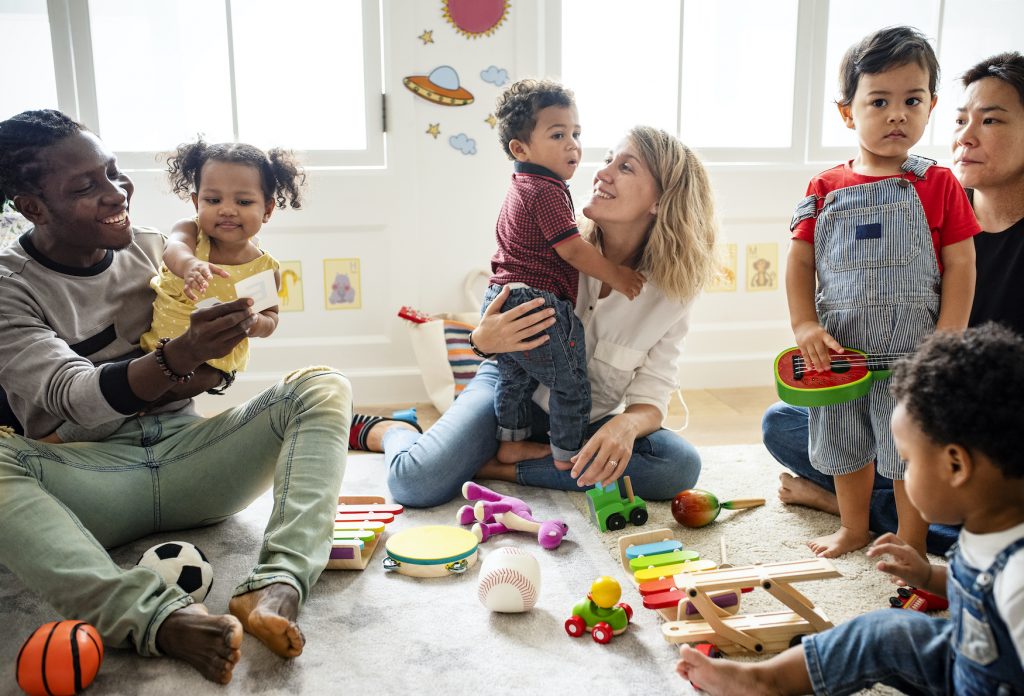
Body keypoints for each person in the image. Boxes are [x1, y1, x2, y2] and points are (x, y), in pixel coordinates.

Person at [0, 110, 351, 684]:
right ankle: (153, 619)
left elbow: (224, 361)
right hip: (90, 475)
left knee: (321, 386)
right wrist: (181, 357)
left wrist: (229, 347)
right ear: (32, 207)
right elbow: (76, 398)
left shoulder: (153, 249)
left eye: (113, 172)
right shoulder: (9, 287)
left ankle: (278, 584)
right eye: (87, 186)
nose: (117, 194)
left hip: (191, 455)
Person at [357, 124, 718, 506]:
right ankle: (393, 430)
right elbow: (487, 330)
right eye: (609, 159)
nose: (601, 172)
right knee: (415, 483)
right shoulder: (555, 241)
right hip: (510, 391)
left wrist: (626, 425)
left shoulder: (672, 293)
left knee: (676, 465)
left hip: (583, 419)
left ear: (661, 200)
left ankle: (500, 468)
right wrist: (482, 341)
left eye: (626, 168)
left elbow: (652, 396)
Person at [764, 50, 1024, 557]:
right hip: (851, 362)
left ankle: (906, 531)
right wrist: (805, 325)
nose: (897, 115)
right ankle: (859, 521)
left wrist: (944, 340)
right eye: (879, 101)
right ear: (848, 112)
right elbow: (799, 262)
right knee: (802, 428)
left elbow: (961, 270)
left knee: (912, 455)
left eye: (912, 101)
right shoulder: (826, 188)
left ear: (926, 105)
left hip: (939, 384)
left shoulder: (936, 186)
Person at [677, 324, 1024, 696]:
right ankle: (765, 681)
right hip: (965, 657)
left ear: (955, 466)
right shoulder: (986, 525)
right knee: (882, 632)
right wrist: (926, 576)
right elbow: (967, 588)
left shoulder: (1017, 580)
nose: (898, 471)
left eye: (906, 461)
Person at [482, 78, 644, 470]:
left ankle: (511, 442)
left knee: (515, 379)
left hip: (501, 295)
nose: (572, 144)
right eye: (558, 134)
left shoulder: (521, 184)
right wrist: (618, 276)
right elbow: (571, 248)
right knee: (571, 382)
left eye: (576, 133)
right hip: (533, 301)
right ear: (520, 148)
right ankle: (569, 455)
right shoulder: (546, 189)